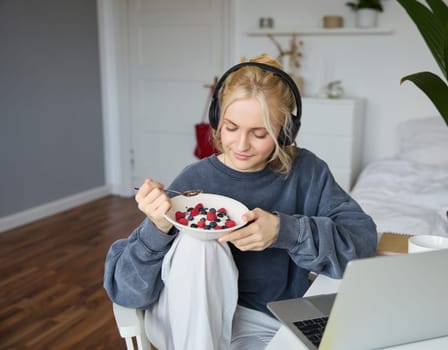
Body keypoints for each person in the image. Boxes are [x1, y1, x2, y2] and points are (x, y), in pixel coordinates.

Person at [104, 54, 377, 349]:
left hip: (262, 320)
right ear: (216, 120)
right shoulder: (194, 182)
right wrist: (157, 228)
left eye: (260, 134)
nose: (241, 145)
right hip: (184, 317)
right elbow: (126, 292)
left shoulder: (308, 173)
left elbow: (361, 244)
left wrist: (285, 231)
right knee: (199, 244)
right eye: (231, 128)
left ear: (285, 132)